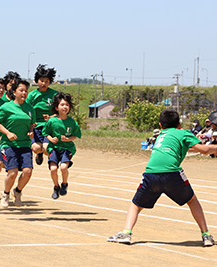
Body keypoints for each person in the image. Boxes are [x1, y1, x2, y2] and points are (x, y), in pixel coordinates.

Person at [107, 109, 216, 247]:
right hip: (172, 174)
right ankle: (206, 235)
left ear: (160, 125)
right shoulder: (183, 133)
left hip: (151, 174)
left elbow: (182, 148)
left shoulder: (161, 135)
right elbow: (204, 150)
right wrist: (214, 148)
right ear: (179, 124)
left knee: (136, 205)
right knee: (192, 201)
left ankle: (126, 233)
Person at [0, 79, 36, 208]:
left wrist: (31, 132)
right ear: (14, 92)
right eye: (21, 90)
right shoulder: (6, 107)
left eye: (26, 91)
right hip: (9, 145)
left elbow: (31, 124)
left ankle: (17, 191)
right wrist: (7, 133)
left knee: (28, 171)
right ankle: (5, 194)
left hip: (25, 144)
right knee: (13, 172)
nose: (24, 93)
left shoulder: (30, 108)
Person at [42, 92, 82, 199]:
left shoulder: (72, 122)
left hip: (67, 148)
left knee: (63, 167)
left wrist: (68, 139)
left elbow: (75, 135)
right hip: (54, 148)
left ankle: (64, 184)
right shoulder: (52, 121)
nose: (65, 107)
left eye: (67, 105)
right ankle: (56, 187)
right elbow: (45, 133)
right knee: (53, 169)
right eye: (62, 105)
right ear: (56, 107)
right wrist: (51, 139)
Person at [26, 64, 58, 165]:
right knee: (36, 148)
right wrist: (31, 123)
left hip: (49, 126)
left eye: (47, 81)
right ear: (37, 81)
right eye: (41, 81)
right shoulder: (32, 95)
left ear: (50, 82)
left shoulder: (55, 95)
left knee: (46, 148)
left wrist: (51, 117)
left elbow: (60, 112)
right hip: (35, 126)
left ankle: (52, 159)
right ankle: (39, 154)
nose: (44, 83)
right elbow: (26, 110)